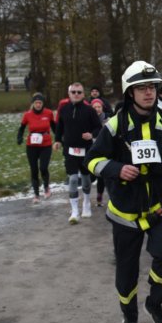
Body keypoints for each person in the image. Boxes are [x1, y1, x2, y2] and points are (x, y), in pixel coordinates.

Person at [85, 61, 162, 323]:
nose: (148, 92)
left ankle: (155, 304)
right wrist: (117, 169)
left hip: (160, 208)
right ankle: (129, 315)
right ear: (130, 92)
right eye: (141, 88)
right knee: (126, 271)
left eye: (151, 87)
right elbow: (91, 160)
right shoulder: (114, 126)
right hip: (125, 214)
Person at [54, 83, 102, 224]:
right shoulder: (64, 109)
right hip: (70, 150)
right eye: (73, 92)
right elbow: (59, 127)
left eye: (79, 92)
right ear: (69, 94)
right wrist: (57, 140)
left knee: (86, 179)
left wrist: (91, 135)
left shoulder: (89, 110)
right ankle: (74, 210)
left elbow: (98, 128)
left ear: (83, 94)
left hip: (86, 150)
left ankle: (86, 203)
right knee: (73, 179)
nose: (76, 94)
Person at [17, 93, 54, 203]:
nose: (38, 105)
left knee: (43, 167)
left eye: (40, 103)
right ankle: (36, 195)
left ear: (43, 104)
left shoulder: (48, 113)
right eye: (36, 103)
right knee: (34, 170)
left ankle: (46, 187)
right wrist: (19, 137)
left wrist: (59, 138)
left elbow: (55, 126)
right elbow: (21, 128)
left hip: (46, 145)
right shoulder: (27, 115)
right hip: (31, 146)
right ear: (33, 104)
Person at [91, 98, 110, 206]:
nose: (97, 109)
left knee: (103, 174)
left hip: (105, 150)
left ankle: (100, 196)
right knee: (94, 174)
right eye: (95, 107)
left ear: (102, 108)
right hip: (91, 149)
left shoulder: (108, 119)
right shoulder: (88, 119)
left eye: (99, 107)